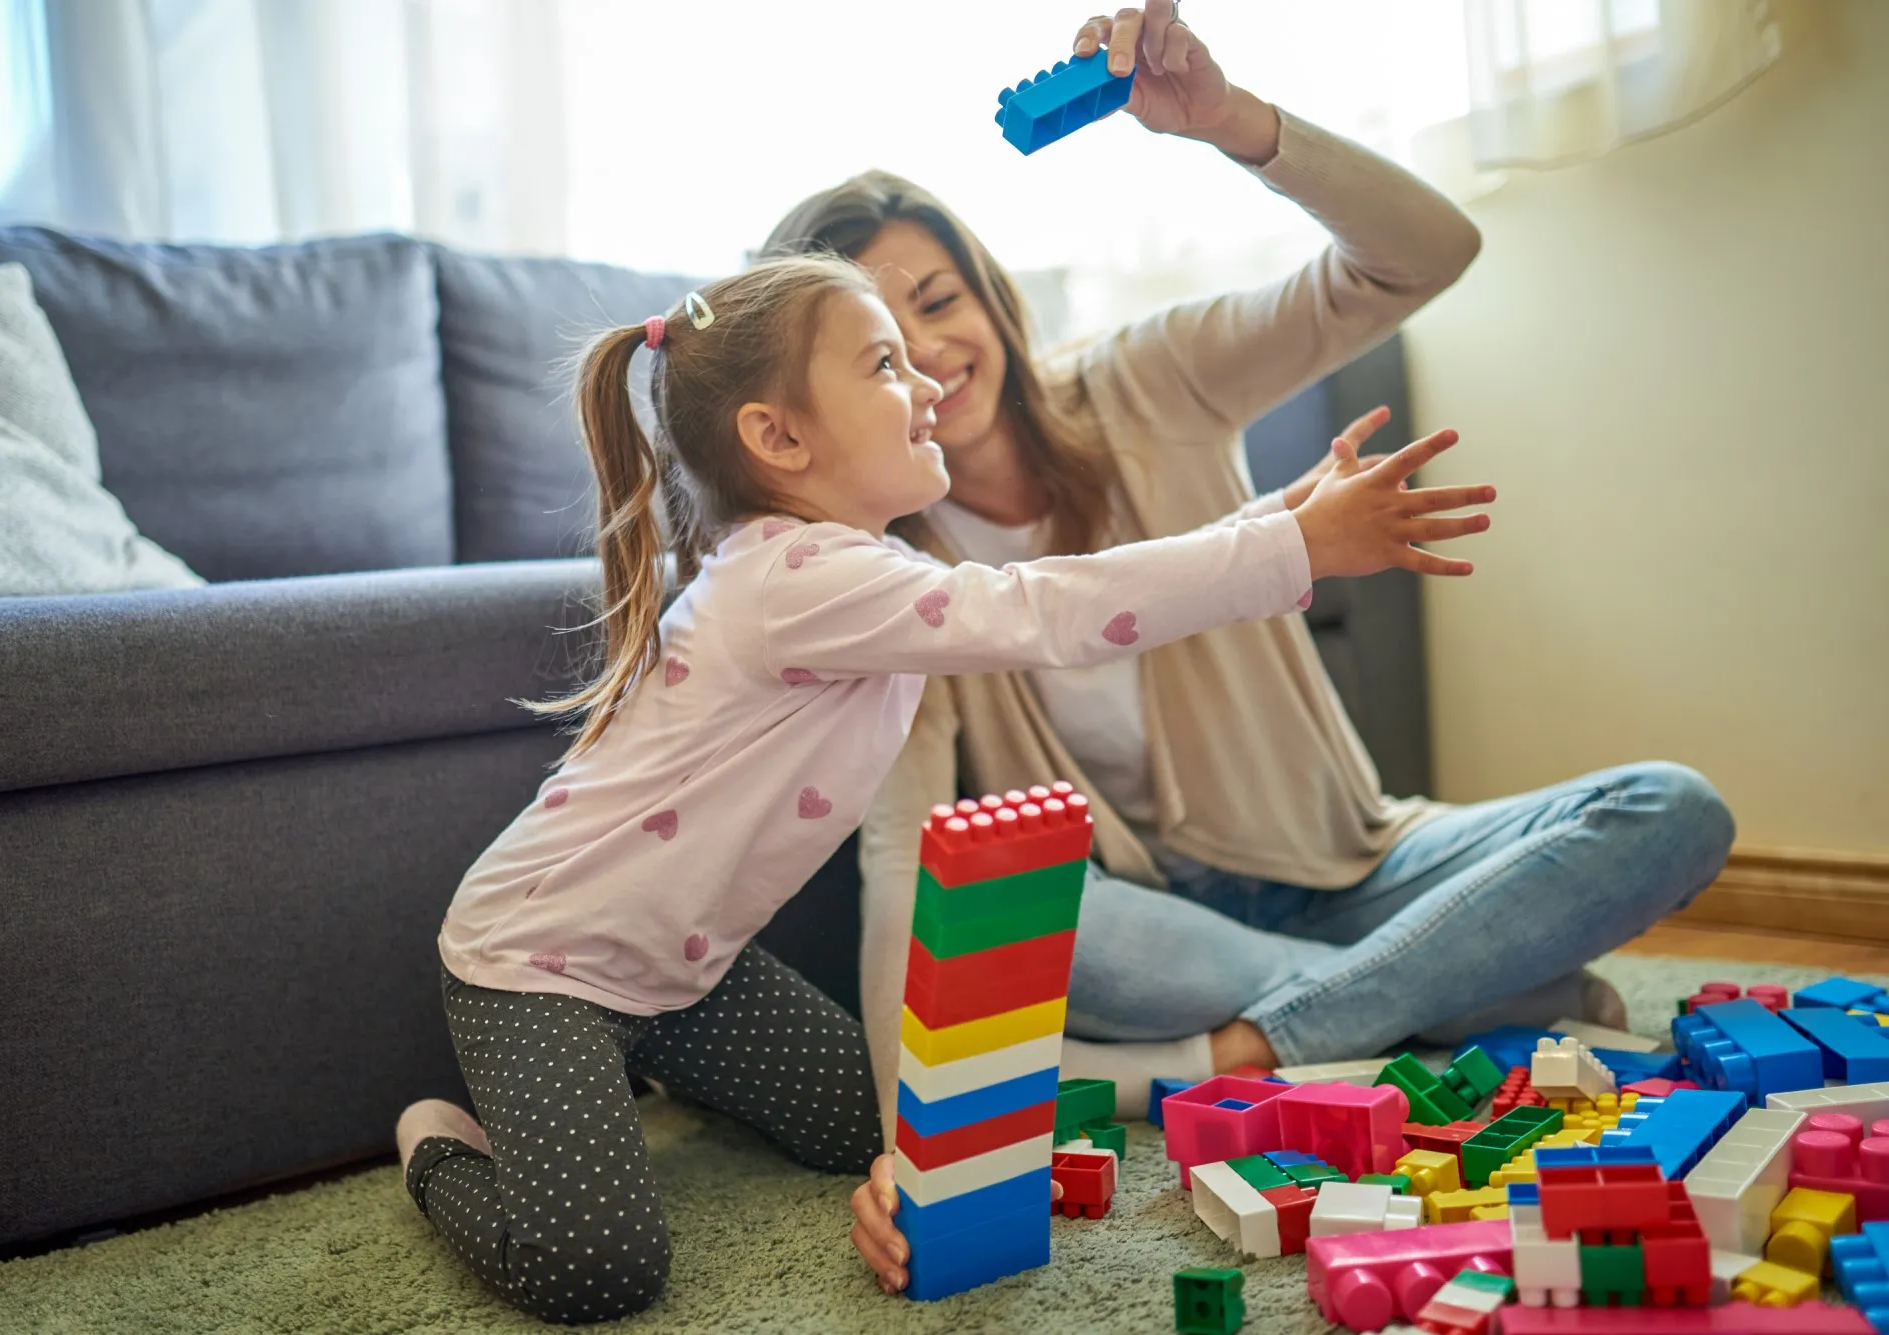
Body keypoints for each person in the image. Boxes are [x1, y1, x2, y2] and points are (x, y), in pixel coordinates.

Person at [757, 3, 1736, 1297]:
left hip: (1356, 858)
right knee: (992, 912)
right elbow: (901, 859)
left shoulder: (1150, 376)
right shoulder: (893, 580)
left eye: (939, 299)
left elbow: (1429, 251)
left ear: (988, 287)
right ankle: (1477, 996)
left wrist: (1231, 122)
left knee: (1670, 805)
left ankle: (1271, 1040)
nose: (932, 355)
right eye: (884, 344)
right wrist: (910, 1153)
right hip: (1152, 919)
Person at [393, 249, 1491, 1321]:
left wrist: (1274, 521)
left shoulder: (857, 574)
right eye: (881, 364)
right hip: (537, 967)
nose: (924, 382)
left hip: (682, 974)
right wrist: (1291, 544)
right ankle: (440, 1144)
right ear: (775, 438)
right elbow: (1039, 611)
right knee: (598, 1273)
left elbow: (1044, 593)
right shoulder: (794, 580)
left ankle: (627, 1082)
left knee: (857, 1125)